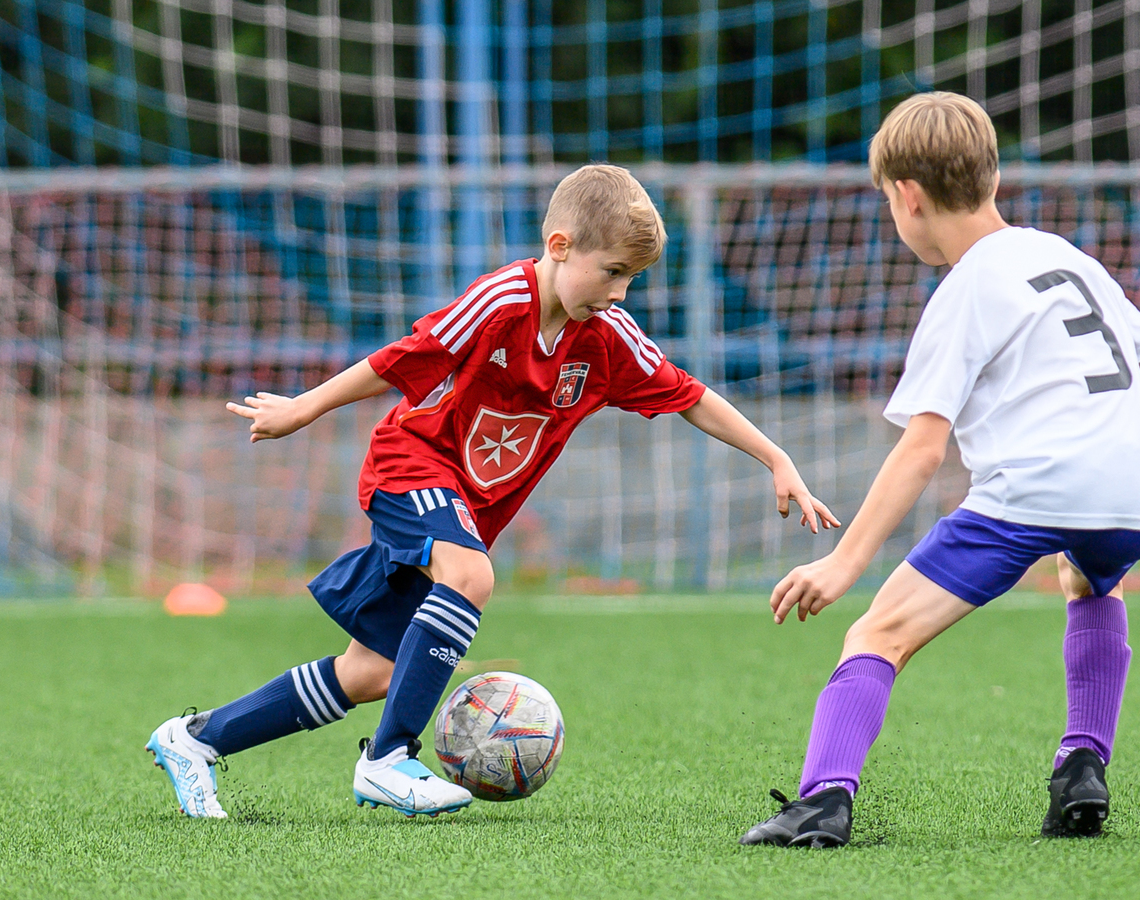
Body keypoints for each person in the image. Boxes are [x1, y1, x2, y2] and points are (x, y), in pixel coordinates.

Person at [147, 164, 838, 819]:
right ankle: (388, 759)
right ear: (560, 247)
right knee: (471, 575)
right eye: (613, 272)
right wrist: (305, 408)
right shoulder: (501, 301)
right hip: (411, 466)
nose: (621, 292)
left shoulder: (608, 338)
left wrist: (775, 457)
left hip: (466, 510)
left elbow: (690, 396)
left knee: (374, 672)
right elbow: (400, 360)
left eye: (632, 278)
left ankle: (197, 739)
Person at [739, 93, 1140, 848]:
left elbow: (922, 448)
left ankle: (822, 801)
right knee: (1091, 578)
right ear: (991, 177)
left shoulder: (965, 289)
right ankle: (1083, 767)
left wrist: (845, 562)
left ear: (908, 197)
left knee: (878, 633)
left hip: (1036, 491)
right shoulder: (1069, 260)